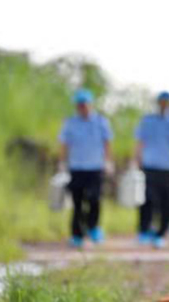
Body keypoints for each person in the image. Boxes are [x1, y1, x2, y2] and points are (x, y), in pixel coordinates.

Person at [58, 88, 114, 248]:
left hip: (95, 167)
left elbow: (107, 143)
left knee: (94, 199)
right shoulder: (70, 123)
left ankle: (94, 227)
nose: (82, 107)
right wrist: (62, 162)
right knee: (77, 203)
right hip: (76, 168)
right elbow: (64, 144)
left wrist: (108, 161)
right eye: (79, 105)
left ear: (90, 104)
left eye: (85, 104)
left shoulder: (101, 122)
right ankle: (77, 234)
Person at [135, 91, 169, 249]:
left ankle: (161, 233)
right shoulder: (148, 120)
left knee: (167, 201)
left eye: (167, 102)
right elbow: (140, 141)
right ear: (158, 103)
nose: (164, 105)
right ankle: (143, 231)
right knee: (147, 199)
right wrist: (136, 160)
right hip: (150, 166)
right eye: (162, 102)